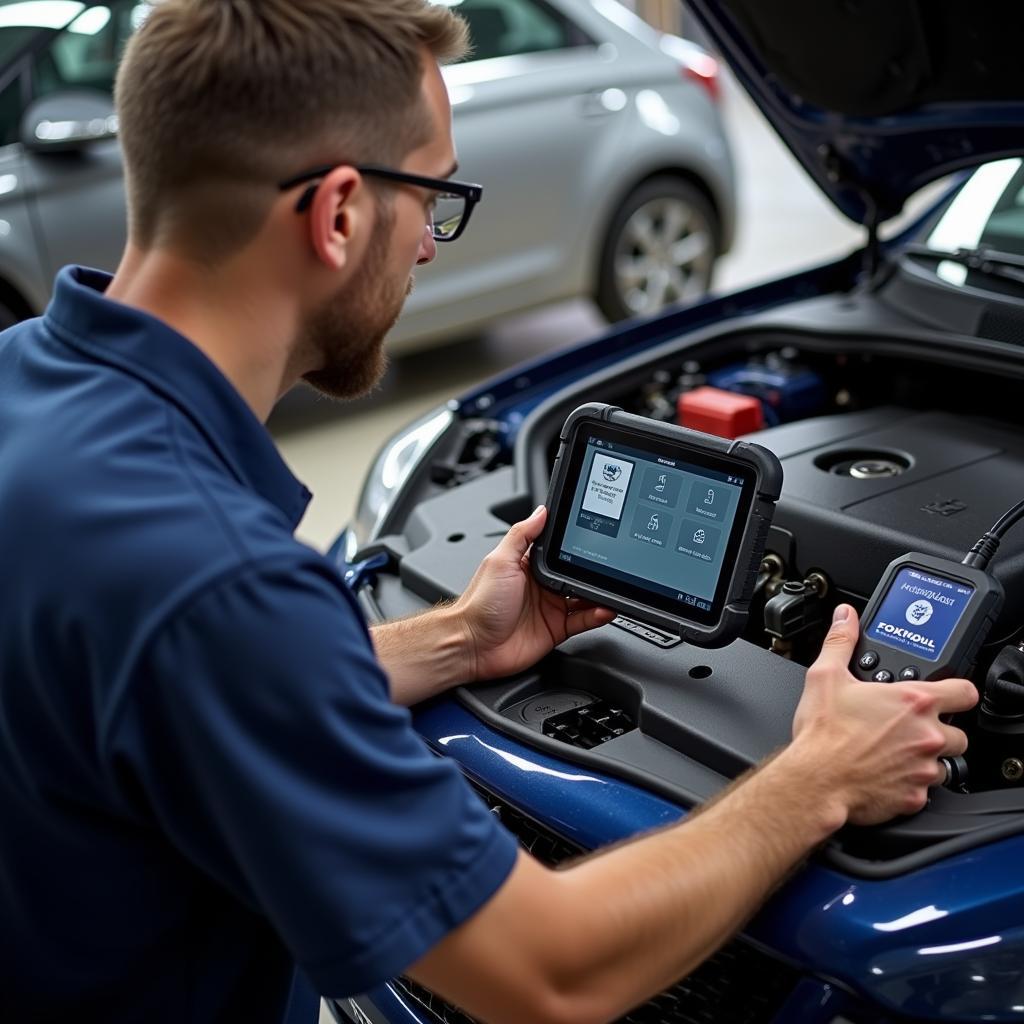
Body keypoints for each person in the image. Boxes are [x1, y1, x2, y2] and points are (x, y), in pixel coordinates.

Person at [0, 2, 977, 1023]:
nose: (428, 241)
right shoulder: (214, 579)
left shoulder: (26, 381)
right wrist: (817, 774)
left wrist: (460, 637)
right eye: (432, 193)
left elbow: (163, 683)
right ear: (337, 213)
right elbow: (549, 974)